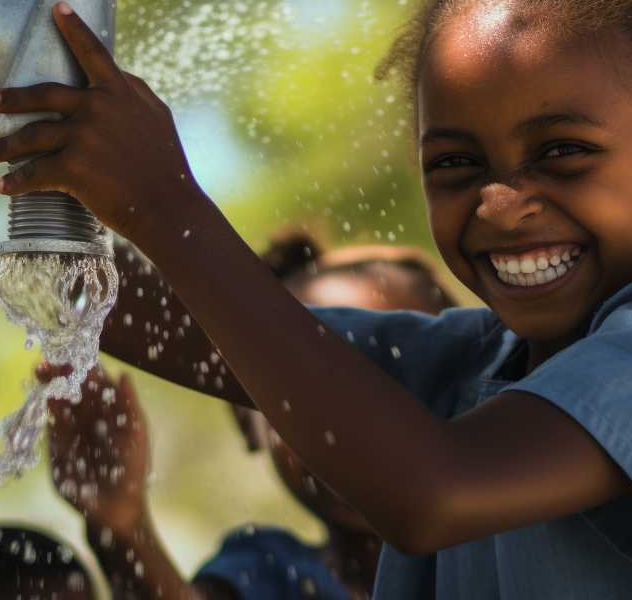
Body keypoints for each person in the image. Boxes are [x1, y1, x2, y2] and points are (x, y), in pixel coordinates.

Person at [0, 0, 632, 598]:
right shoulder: (464, 368)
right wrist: (57, 157)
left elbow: (429, 493)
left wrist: (164, 201)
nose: (502, 203)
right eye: (455, 164)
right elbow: (145, 316)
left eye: (562, 152)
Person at [45, 232, 456, 599]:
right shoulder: (271, 574)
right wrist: (122, 527)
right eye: (297, 395)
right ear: (246, 420)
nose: (347, 429)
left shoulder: (510, 540)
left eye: (389, 377)